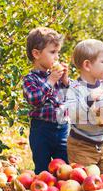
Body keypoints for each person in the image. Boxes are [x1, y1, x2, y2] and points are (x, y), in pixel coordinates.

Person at [65, 39, 103, 177]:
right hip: (81, 145)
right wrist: (89, 99)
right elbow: (73, 113)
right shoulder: (75, 88)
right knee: (85, 180)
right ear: (87, 65)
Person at [22, 27, 70, 173]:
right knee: (42, 169)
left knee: (64, 168)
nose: (56, 57)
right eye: (52, 52)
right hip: (41, 130)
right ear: (36, 54)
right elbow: (34, 99)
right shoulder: (30, 79)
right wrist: (50, 81)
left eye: (58, 53)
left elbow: (69, 97)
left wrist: (65, 80)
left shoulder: (56, 76)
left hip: (62, 128)